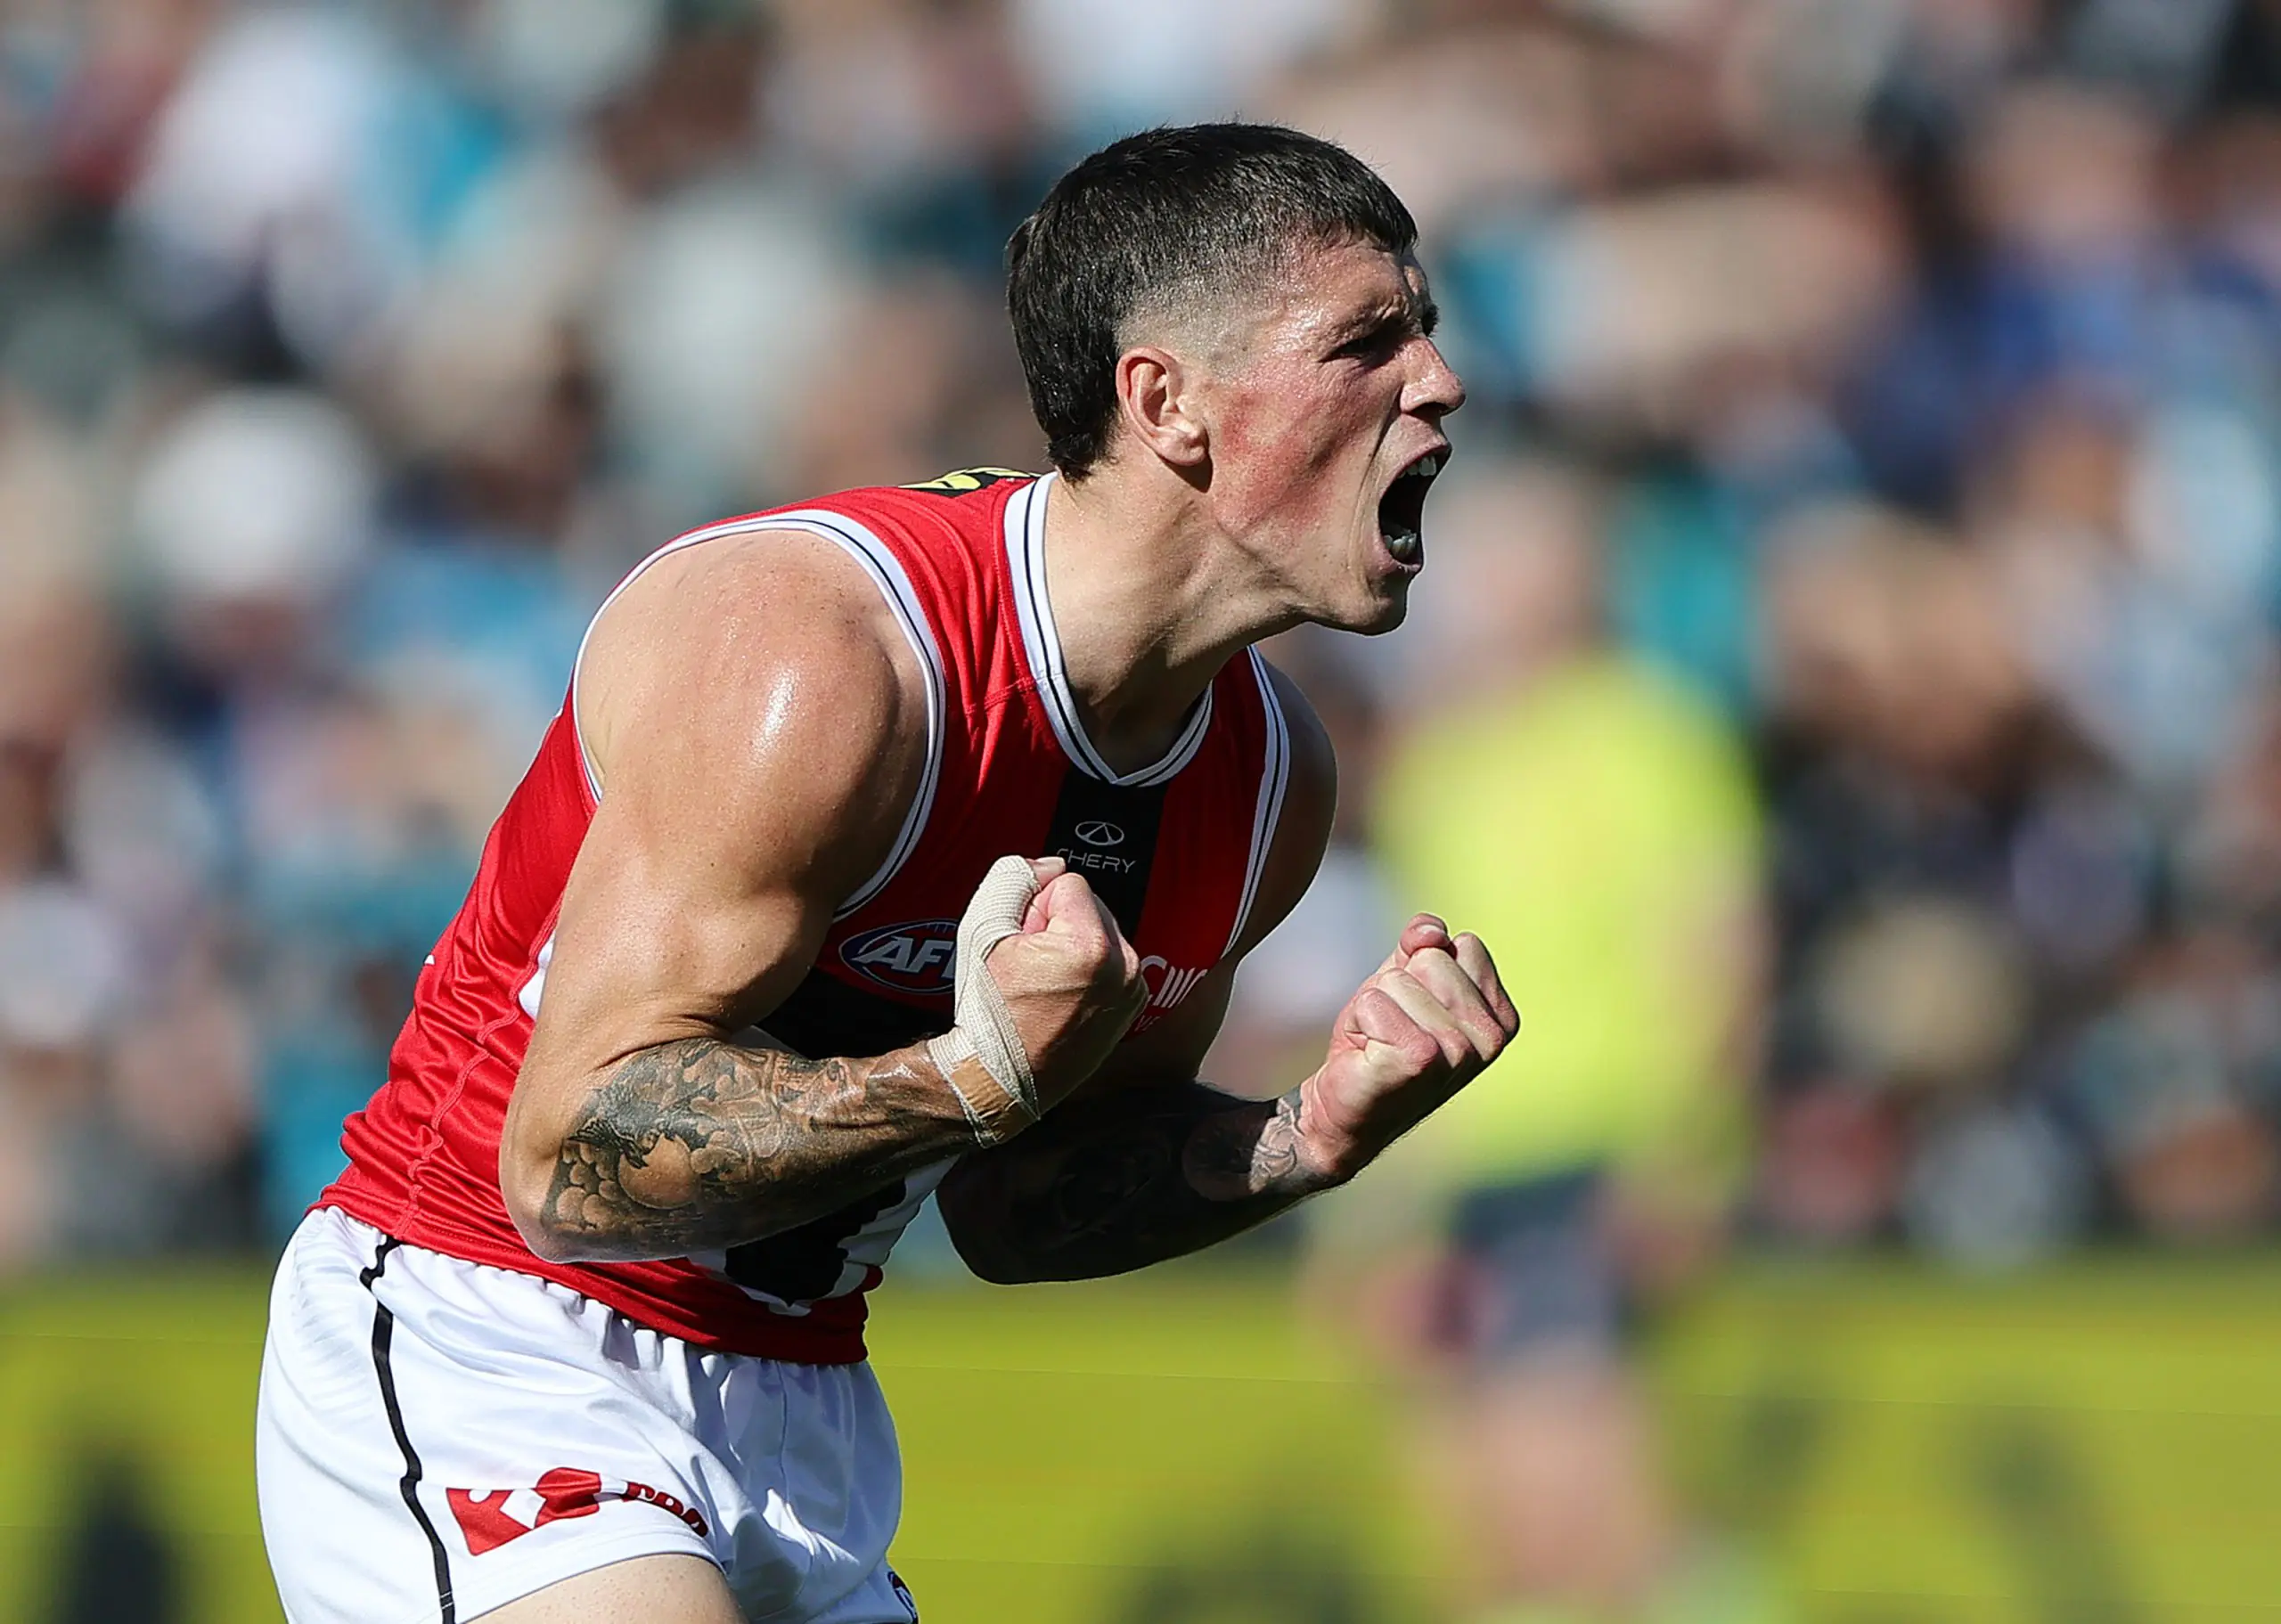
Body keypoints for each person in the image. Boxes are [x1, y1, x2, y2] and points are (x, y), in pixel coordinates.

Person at [255, 123, 1513, 1624]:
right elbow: (561, 1164)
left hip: (808, 1416)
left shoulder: (1266, 785)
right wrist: (969, 1072)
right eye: (1369, 341)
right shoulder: (824, 648)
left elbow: (1015, 1208)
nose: (1438, 382)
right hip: (501, 1337)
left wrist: (1304, 1134)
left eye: (1424, 335)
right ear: (1165, 402)